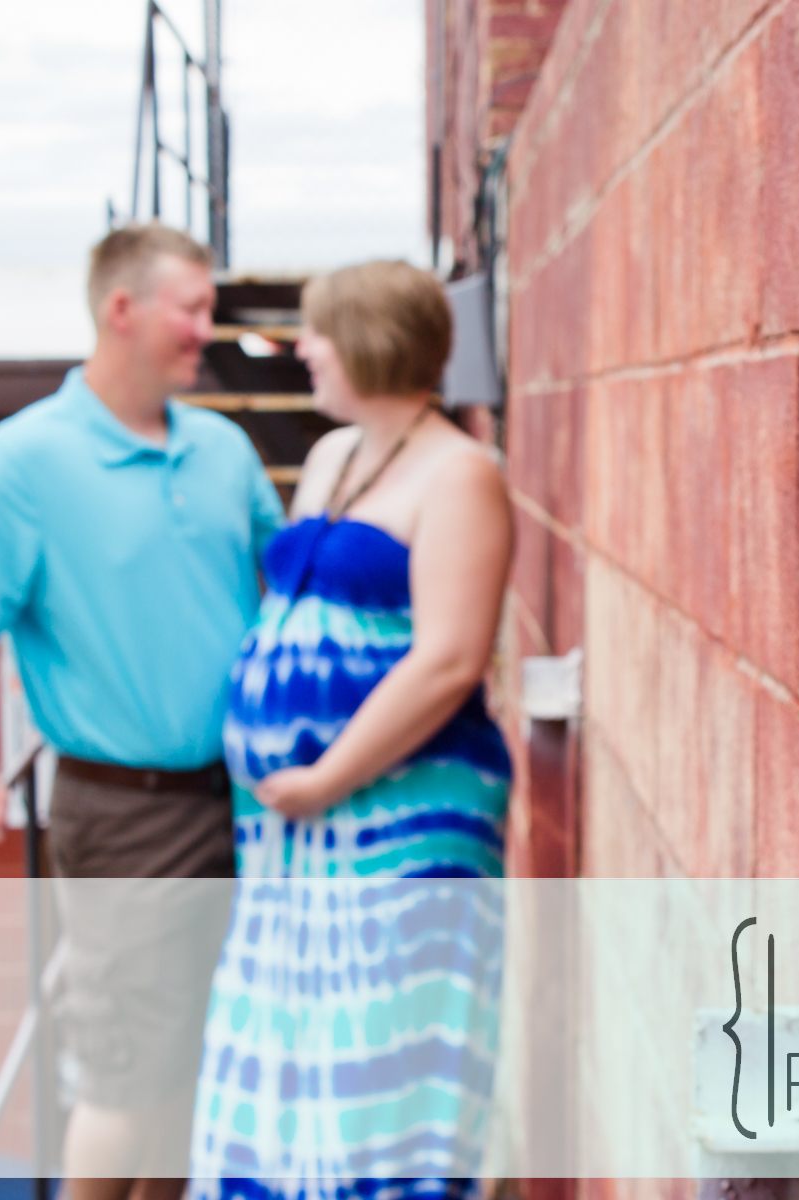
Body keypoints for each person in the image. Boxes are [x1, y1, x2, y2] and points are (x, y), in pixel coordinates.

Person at [0, 224, 285, 1200]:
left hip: (246, 805)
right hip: (125, 816)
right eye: (191, 309)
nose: (206, 330)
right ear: (123, 309)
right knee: (128, 1077)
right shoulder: (24, 461)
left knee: (199, 1066)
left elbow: (280, 584)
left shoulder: (222, 449)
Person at [190, 260, 515, 1199]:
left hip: (403, 814)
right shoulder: (335, 457)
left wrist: (326, 775)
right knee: (292, 1055)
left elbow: (450, 658)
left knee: (383, 1062)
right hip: (294, 831)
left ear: (371, 341)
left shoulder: (462, 474)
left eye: (320, 332)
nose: (303, 350)